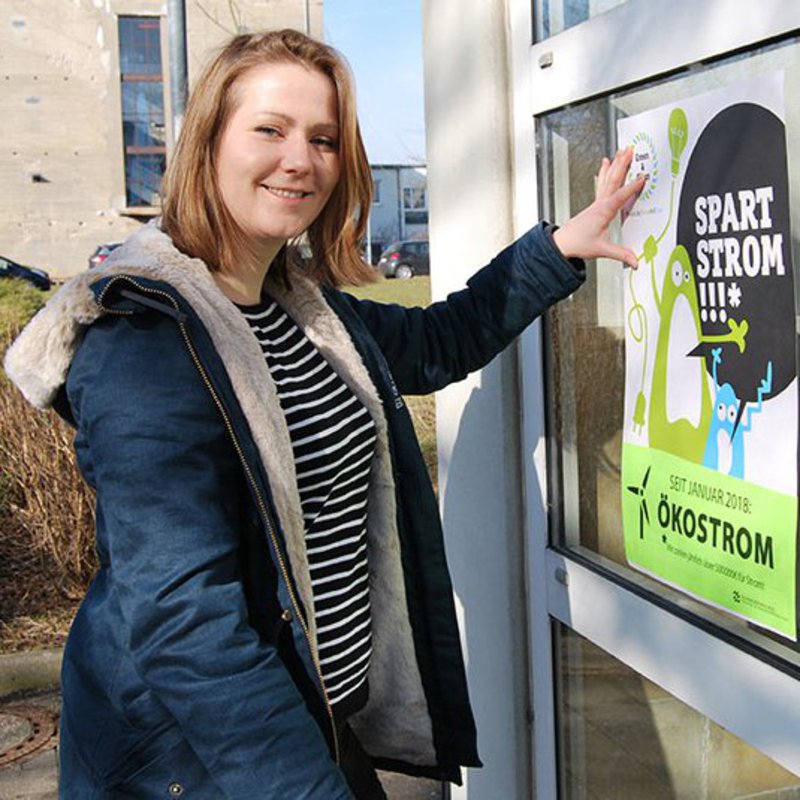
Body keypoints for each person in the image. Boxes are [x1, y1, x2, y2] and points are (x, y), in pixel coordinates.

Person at [5, 29, 643, 800]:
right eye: (269, 130)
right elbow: (184, 624)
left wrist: (562, 246)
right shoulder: (146, 339)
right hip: (202, 762)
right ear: (207, 143)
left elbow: (439, 342)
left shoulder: (300, 311)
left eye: (324, 139)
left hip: (319, 719)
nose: (300, 160)